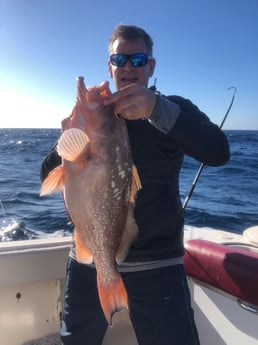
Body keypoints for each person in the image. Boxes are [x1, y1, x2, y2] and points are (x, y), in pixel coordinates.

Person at [41, 24, 230, 345]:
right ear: (110, 66)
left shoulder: (174, 107)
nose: (128, 67)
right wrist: (67, 141)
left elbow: (218, 151)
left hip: (158, 263)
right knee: (76, 340)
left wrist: (157, 109)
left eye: (138, 59)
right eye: (120, 59)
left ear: (151, 66)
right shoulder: (93, 117)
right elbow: (46, 174)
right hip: (89, 258)